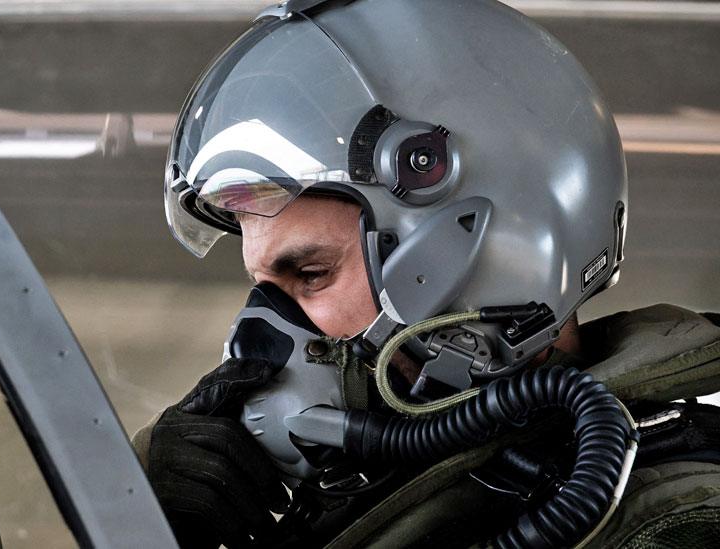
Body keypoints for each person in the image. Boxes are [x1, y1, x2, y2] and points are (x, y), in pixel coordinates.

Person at [134, 0, 720, 547]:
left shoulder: (666, 518)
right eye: (266, 289)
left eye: (311, 274)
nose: (256, 338)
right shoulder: (397, 486)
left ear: (486, 260)